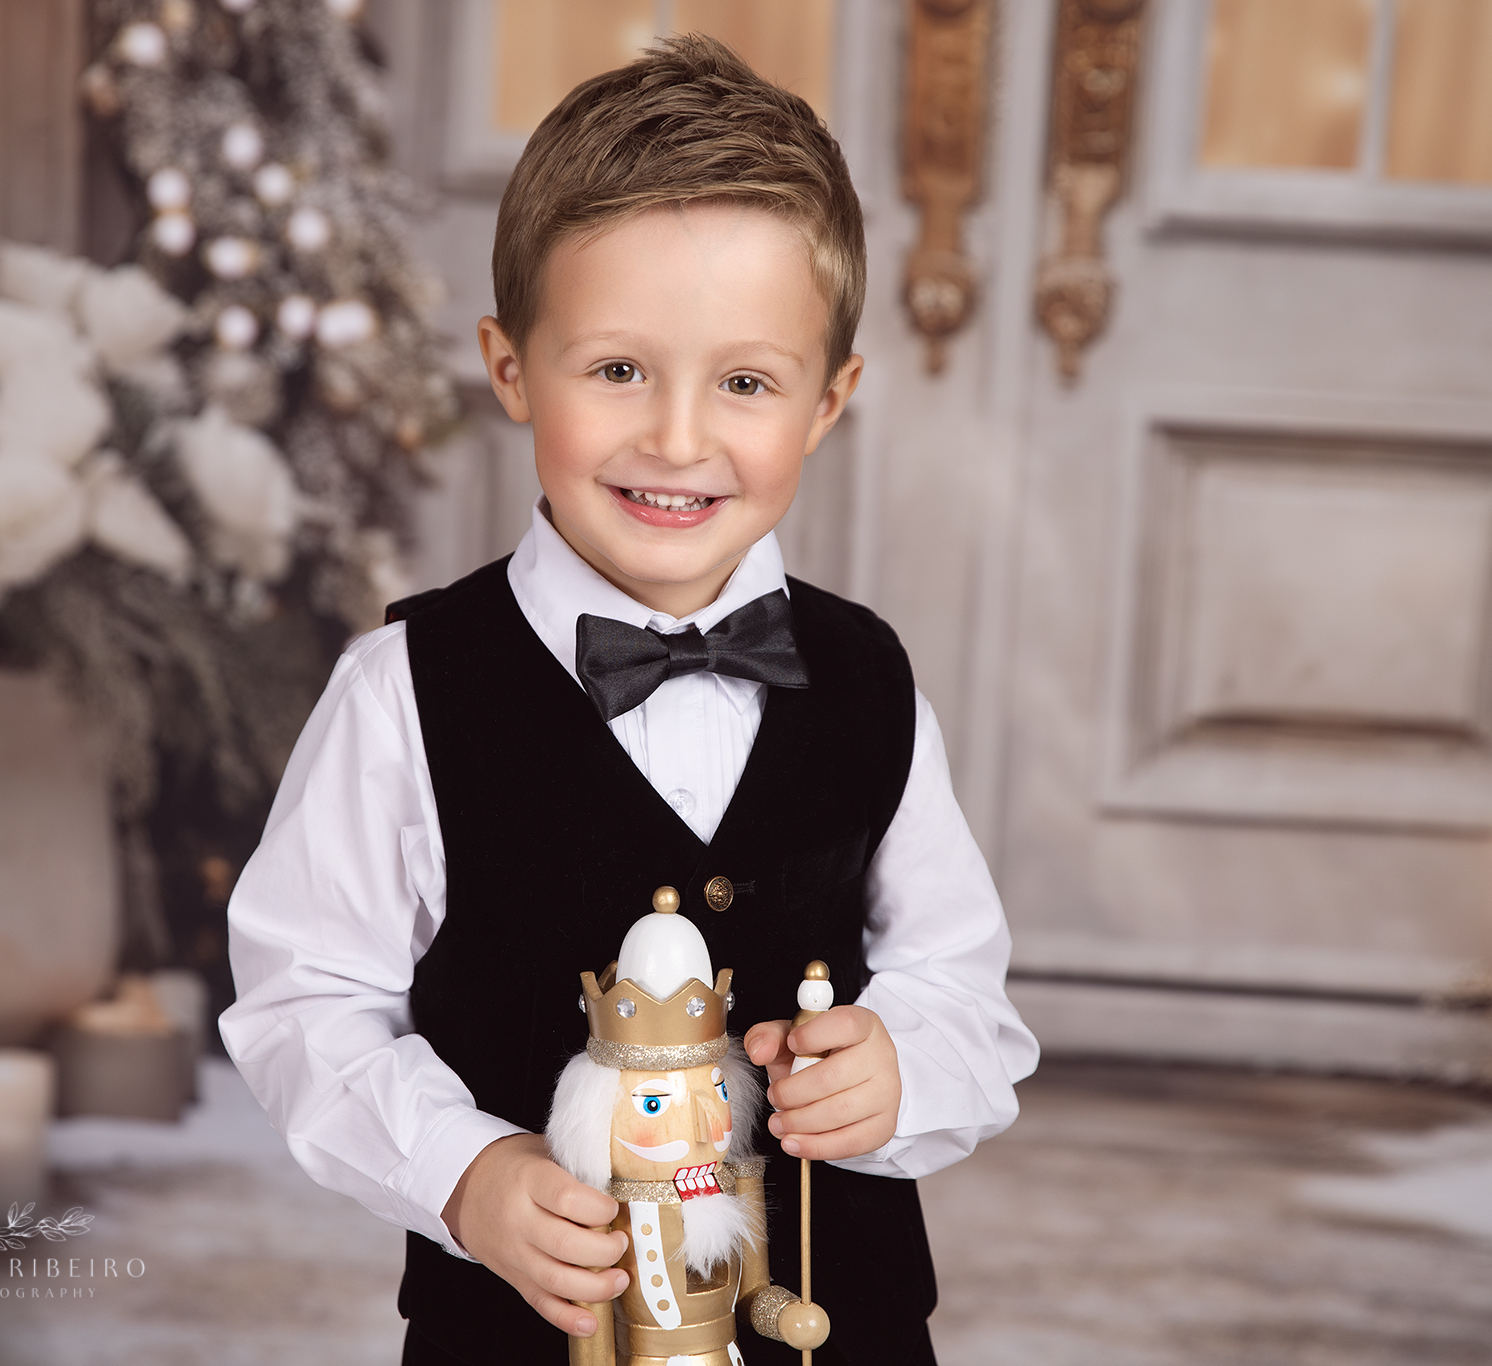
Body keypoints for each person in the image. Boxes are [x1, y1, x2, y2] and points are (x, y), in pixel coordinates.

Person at [220, 34, 1038, 1365]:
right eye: (616, 370)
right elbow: (303, 998)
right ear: (509, 367)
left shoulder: (868, 678)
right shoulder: (405, 693)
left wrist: (902, 1064)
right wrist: (466, 1173)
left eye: (746, 381)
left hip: (840, 1320)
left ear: (829, 400)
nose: (675, 436)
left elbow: (963, 983)